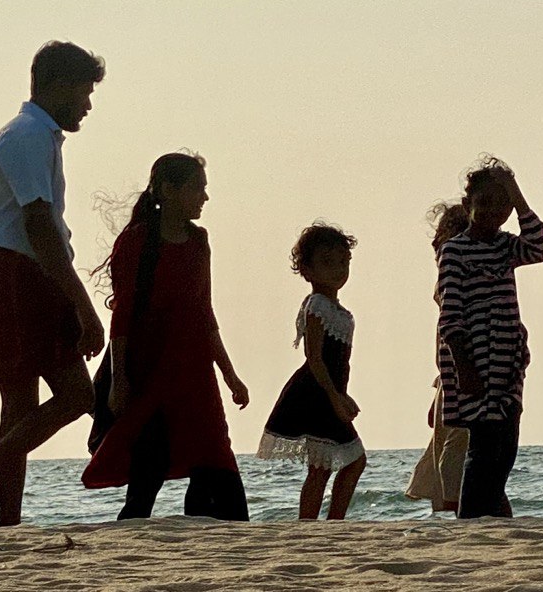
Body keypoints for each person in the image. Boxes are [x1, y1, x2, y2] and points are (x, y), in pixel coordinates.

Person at [0, 41, 107, 528]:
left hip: (11, 269)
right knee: (77, 395)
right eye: (83, 91)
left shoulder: (31, 135)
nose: (87, 104)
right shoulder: (29, 135)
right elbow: (39, 224)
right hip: (21, 272)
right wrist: (82, 304)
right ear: (57, 86)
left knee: (19, 404)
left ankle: (8, 519)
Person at [80, 154, 250, 520]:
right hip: (148, 368)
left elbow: (204, 312)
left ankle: (208, 539)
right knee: (148, 469)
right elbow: (122, 316)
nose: (205, 197)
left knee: (216, 463)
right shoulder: (136, 241)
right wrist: (119, 381)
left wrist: (230, 375)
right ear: (168, 190)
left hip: (195, 371)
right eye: (197, 188)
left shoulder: (199, 241)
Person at [437, 156, 543, 519]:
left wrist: (518, 196)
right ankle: (472, 520)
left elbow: (540, 248)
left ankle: (491, 516)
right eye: (484, 203)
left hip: (507, 362)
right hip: (474, 361)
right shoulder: (455, 251)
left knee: (506, 444)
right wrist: (464, 368)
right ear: (468, 204)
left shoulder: (506, 246)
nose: (492, 212)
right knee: (484, 445)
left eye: (502, 205)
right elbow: (450, 315)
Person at [257, 224, 366, 520]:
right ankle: (314, 524)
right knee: (340, 463)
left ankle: (327, 523)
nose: (338, 270)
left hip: (329, 391)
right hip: (315, 393)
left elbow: (341, 363)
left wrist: (343, 394)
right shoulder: (317, 305)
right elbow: (315, 358)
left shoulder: (339, 311)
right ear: (307, 270)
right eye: (327, 263)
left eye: (343, 262)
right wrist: (335, 397)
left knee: (333, 465)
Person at [405, 202, 471, 514]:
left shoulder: (465, 274)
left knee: (455, 449)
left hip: (460, 371)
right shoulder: (449, 276)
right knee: (447, 449)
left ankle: (454, 509)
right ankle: (450, 510)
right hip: (450, 374)